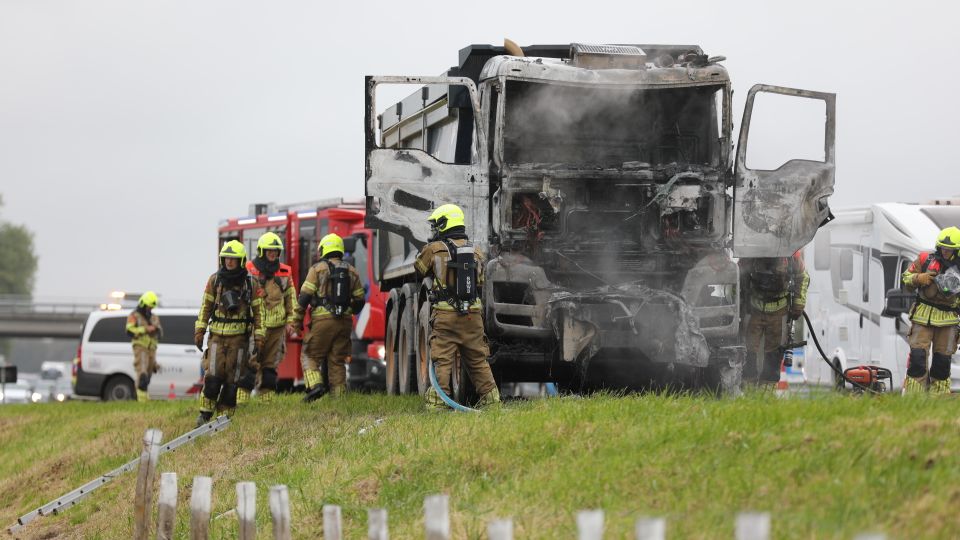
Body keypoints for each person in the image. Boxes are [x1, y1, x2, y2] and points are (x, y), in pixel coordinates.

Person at [416, 204, 500, 410]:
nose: (434, 230)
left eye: (436, 226)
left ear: (444, 224)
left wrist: (430, 248)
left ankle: (438, 405)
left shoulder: (434, 249)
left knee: (442, 360)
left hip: (446, 317)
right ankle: (492, 402)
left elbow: (419, 269)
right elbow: (479, 282)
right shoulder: (477, 252)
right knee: (478, 360)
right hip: (472, 317)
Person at [194, 240, 264, 426]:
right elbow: (205, 307)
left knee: (233, 383)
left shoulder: (251, 283)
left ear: (241, 260)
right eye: (226, 258)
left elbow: (259, 313)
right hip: (216, 338)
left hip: (239, 340)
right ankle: (204, 416)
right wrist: (200, 330)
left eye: (233, 259)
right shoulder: (214, 281)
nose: (229, 262)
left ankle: (223, 420)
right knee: (213, 378)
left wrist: (259, 337)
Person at [293, 233, 365, 401]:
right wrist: (346, 311)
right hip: (345, 323)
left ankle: (315, 386)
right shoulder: (352, 271)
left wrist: (297, 322)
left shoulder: (317, 269)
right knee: (337, 361)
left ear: (323, 250)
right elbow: (360, 300)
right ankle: (339, 399)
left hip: (322, 322)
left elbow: (304, 297)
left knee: (309, 355)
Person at [900, 226, 960, 394]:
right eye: (942, 247)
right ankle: (914, 399)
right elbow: (906, 277)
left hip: (949, 320)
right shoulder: (925, 259)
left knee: (942, 363)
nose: (945, 251)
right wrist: (919, 278)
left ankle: (938, 400)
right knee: (918, 359)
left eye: (949, 249)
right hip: (922, 316)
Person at [239, 232, 296, 403]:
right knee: (250, 363)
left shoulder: (285, 272)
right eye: (269, 250)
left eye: (276, 251)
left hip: (277, 328)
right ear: (261, 251)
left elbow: (291, 297)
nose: (273, 254)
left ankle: (266, 401)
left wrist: (291, 320)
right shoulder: (249, 269)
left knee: (271, 365)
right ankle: (241, 399)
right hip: (255, 328)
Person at [740, 253, 809, 382]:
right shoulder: (751, 252)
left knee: (773, 352)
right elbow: (738, 275)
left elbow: (802, 277)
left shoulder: (791, 254)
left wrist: (798, 304)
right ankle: (748, 386)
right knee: (748, 350)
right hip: (754, 310)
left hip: (779, 312)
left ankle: (767, 388)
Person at [125, 291, 162, 402]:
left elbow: (160, 332)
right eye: (148, 306)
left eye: (151, 307)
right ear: (143, 304)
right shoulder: (134, 316)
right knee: (142, 374)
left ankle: (145, 398)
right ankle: (142, 401)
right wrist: (145, 329)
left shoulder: (154, 317)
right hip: (140, 347)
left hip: (152, 348)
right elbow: (129, 330)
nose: (149, 309)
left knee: (149, 374)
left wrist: (156, 330)